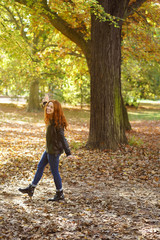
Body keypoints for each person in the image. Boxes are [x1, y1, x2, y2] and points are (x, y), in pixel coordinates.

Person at [19, 99, 71, 201]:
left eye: (51, 107)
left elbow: (62, 138)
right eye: (48, 106)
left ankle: (60, 194)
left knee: (55, 171)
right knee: (40, 166)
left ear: (55, 110)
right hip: (49, 149)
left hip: (53, 151)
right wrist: (45, 103)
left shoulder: (58, 123)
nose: (48, 108)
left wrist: (68, 152)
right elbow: (47, 108)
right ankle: (31, 188)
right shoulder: (52, 118)